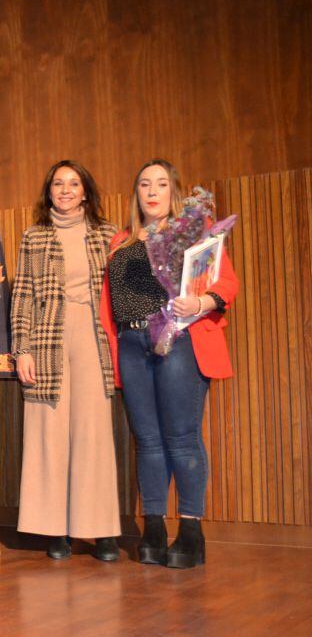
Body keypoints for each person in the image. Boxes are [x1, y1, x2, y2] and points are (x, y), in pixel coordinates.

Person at [102, 159, 238, 569]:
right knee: (148, 440)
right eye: (145, 184)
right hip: (131, 343)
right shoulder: (121, 241)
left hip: (179, 340)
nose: (152, 191)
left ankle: (192, 533)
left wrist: (201, 302)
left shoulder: (194, 232)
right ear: (136, 193)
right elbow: (109, 305)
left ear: (174, 192)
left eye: (161, 183)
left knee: (181, 437)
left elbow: (225, 283)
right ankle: (154, 528)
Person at [11, 160, 121, 561]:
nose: (66, 189)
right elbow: (21, 295)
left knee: (93, 431)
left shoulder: (109, 235)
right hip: (47, 338)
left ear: (86, 192)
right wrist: (21, 349)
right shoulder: (34, 237)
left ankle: (101, 530)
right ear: (49, 192)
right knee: (48, 430)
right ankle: (54, 529)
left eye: (74, 183)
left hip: (94, 336)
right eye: (58, 183)